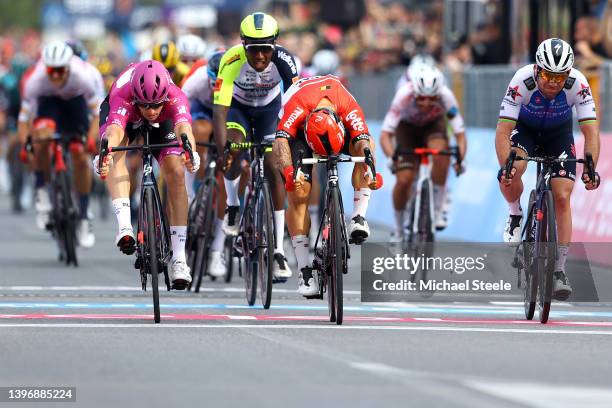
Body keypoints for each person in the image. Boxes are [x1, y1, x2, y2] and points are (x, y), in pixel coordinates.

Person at [496, 38, 601, 300]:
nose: (554, 82)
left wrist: (590, 167)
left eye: (560, 76)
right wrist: (505, 166)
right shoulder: (522, 80)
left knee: (563, 196)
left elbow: (591, 132)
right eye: (547, 75)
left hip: (559, 135)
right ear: (536, 70)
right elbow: (503, 130)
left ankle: (559, 271)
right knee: (513, 168)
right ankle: (516, 214)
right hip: (526, 132)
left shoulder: (578, 83)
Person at [273, 74, 381, 296]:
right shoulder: (297, 105)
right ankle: (304, 272)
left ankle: (359, 218)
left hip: (335, 123)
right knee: (299, 192)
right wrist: (289, 172)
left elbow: (364, 141)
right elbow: (281, 142)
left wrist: (371, 170)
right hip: (302, 134)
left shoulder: (346, 105)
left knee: (366, 147)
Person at [95, 60, 199, 290]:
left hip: (165, 124)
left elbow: (184, 128)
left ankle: (179, 259)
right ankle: (124, 227)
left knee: (176, 172)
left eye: (156, 105)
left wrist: (190, 151)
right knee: (116, 154)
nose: (151, 111)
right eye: (146, 106)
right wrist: (105, 152)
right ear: (137, 98)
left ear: (165, 98)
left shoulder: (175, 95)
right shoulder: (124, 92)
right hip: (124, 116)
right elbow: (115, 130)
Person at [213, 12, 299, 280]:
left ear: (274, 45)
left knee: (275, 166)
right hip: (238, 109)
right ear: (243, 45)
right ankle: (232, 204)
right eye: (253, 50)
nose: (260, 56)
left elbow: (297, 102)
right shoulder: (230, 60)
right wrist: (223, 150)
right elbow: (219, 111)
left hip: (269, 111)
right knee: (235, 147)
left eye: (265, 49)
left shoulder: (285, 60)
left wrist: (292, 143)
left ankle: (277, 251)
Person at [18, 41, 103, 247]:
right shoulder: (36, 80)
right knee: (42, 137)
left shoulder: (83, 76)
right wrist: (27, 145)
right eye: (51, 71)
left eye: (60, 71)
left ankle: (83, 217)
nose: (55, 75)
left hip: (75, 103)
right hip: (48, 103)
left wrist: (91, 139)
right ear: (45, 67)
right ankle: (41, 192)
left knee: (81, 156)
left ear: (68, 67)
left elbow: (96, 114)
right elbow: (24, 120)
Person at [380, 65, 466, 236]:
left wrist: (460, 160)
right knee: (404, 179)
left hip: (433, 126)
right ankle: (397, 229)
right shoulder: (404, 94)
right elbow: (385, 135)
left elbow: (460, 134)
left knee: (441, 152)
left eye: (431, 98)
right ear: (414, 92)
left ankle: (438, 209)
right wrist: (392, 158)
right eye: (421, 98)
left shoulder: (446, 96)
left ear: (439, 93)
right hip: (407, 128)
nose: (426, 103)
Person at [182, 50, 229, 277]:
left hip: (229, 112)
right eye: (213, 81)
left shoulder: (238, 80)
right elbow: (179, 108)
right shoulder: (198, 79)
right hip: (201, 112)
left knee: (227, 178)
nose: (214, 85)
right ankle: (192, 189)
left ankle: (217, 250)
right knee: (199, 131)